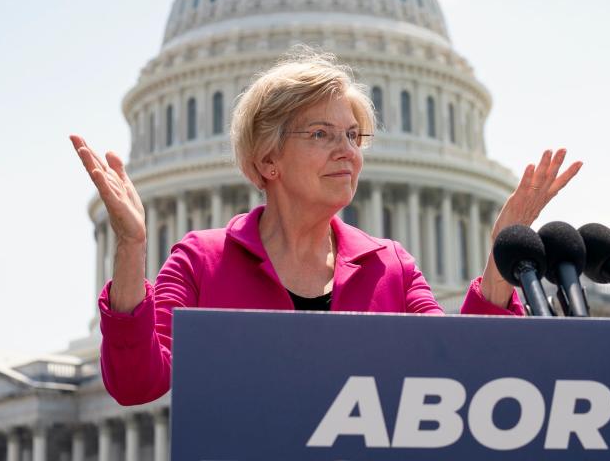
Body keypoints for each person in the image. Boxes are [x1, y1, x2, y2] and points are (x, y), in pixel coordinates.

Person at [71, 50, 583, 406]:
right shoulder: (203, 262)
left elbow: (458, 372)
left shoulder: (391, 267)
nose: (348, 151)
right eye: (322, 134)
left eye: (353, 136)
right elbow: (136, 383)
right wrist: (132, 246)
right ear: (267, 158)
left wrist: (500, 262)